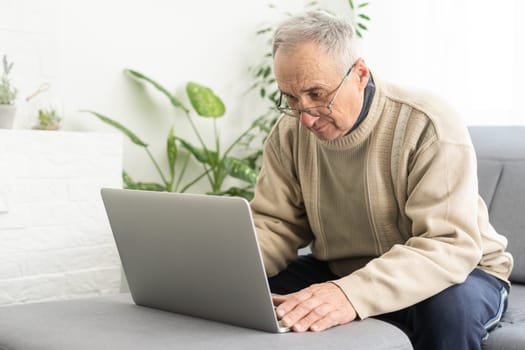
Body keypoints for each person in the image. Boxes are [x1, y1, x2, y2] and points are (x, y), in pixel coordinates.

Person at [249, 10, 513, 350]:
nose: (306, 117)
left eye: (317, 94)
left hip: (455, 272)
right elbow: (275, 224)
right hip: (346, 271)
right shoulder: (289, 132)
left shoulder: (427, 123)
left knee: (450, 313)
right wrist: (223, 270)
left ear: (359, 73)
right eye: (291, 98)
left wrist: (350, 293)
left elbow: (449, 244)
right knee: (253, 294)